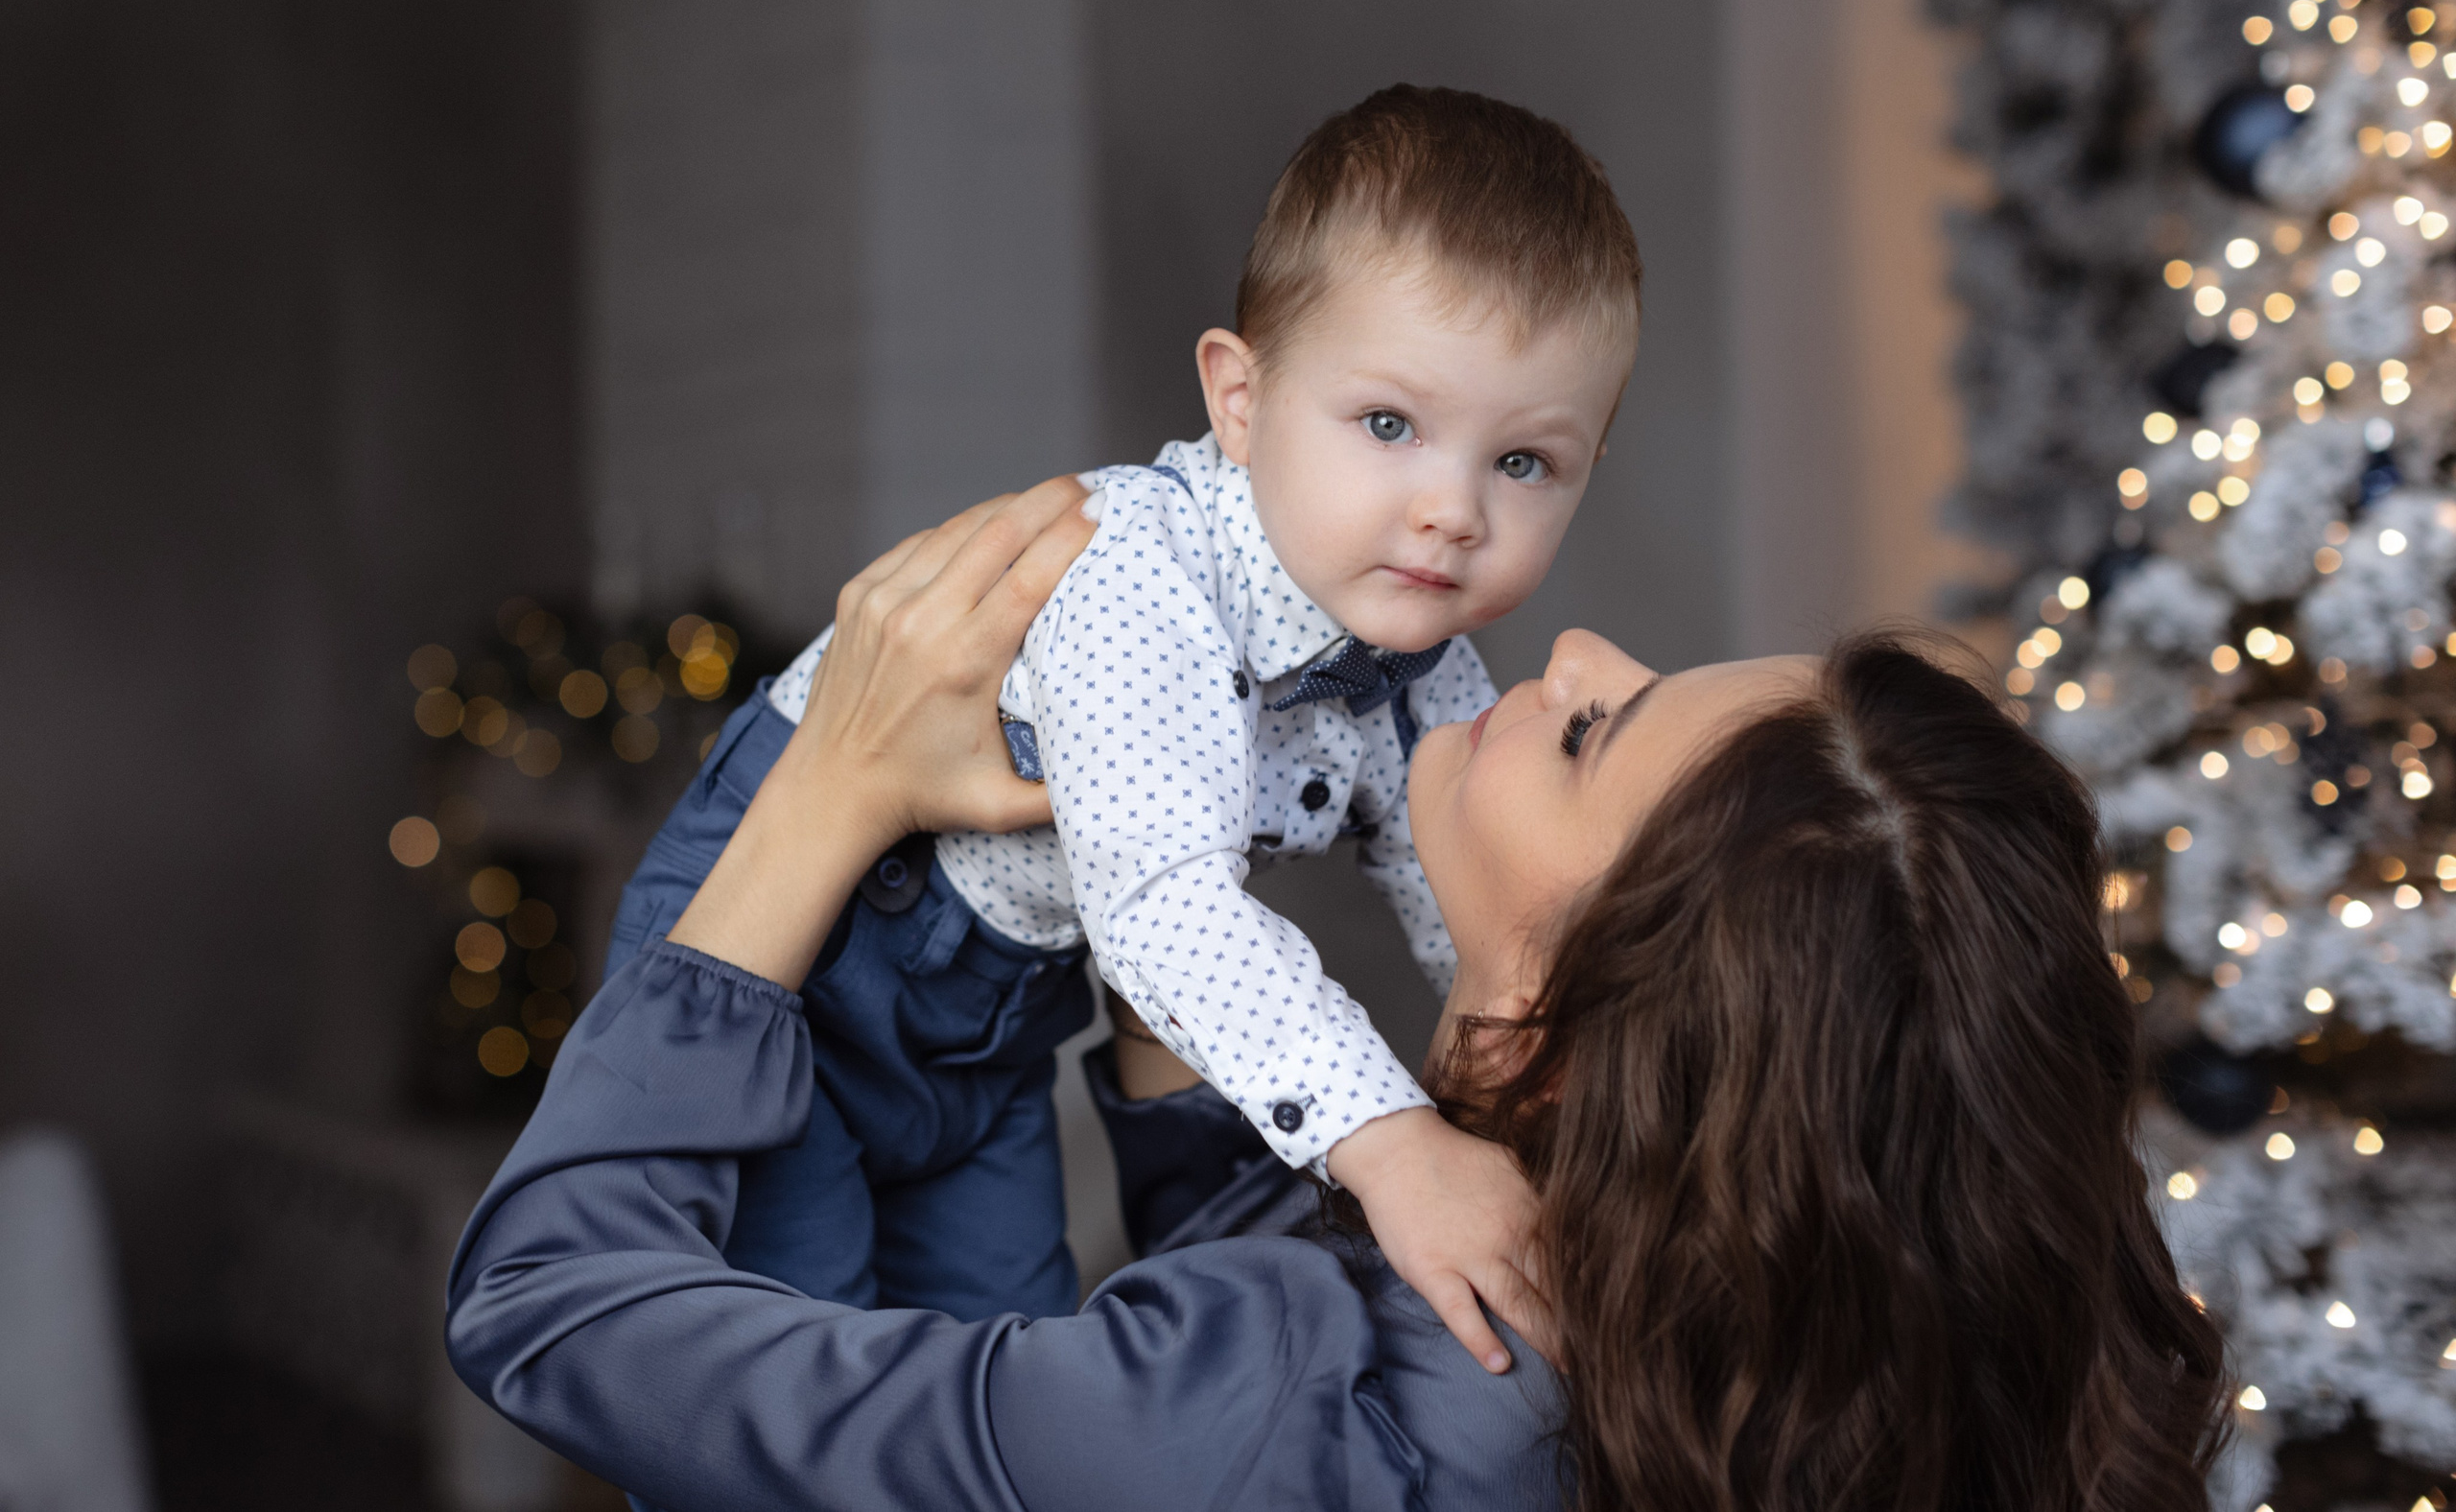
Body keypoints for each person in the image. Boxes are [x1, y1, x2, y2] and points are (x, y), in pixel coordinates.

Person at [449, 479, 2232, 1512]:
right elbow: (1266, 1293)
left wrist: (822, 792)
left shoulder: (1270, 1419)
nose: (1571, 651)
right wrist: (1170, 891)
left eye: (1593, 732)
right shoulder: (1652, 1348)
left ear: (1562, 1031)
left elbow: (551, 1312)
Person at [602, 84, 1641, 1362]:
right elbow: (1162, 903)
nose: (1454, 511)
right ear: (1240, 401)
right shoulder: (1137, 573)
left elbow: (1476, 902)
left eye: (1523, 463)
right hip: (791, 948)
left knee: (1003, 1356)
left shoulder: (1426, 665)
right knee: (794, 1374)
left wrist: (1578, 1102)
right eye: (1389, 425)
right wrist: (1393, 1141)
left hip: (987, 1027)